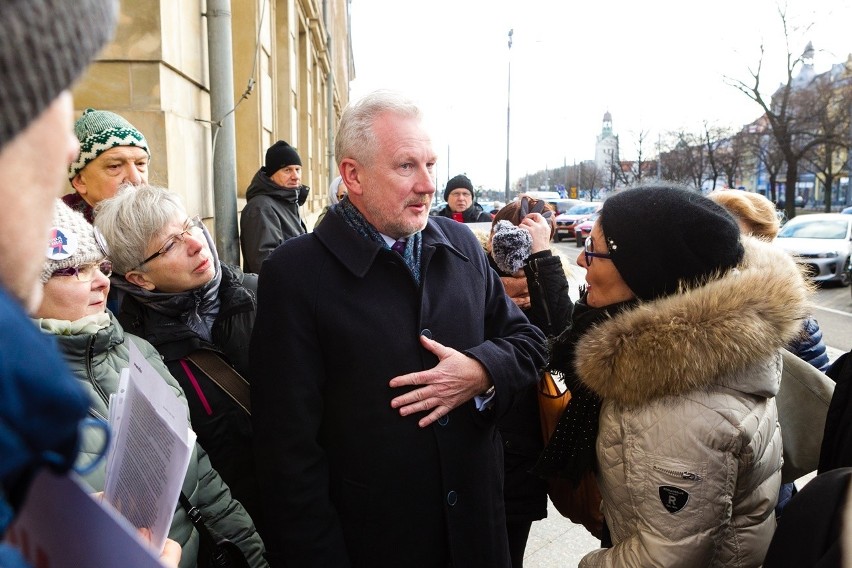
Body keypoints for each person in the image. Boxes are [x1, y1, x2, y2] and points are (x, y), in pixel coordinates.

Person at [250, 90, 548, 568]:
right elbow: (287, 456)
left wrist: (480, 370)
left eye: (431, 164)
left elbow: (530, 343)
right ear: (353, 176)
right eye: (407, 166)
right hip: (376, 545)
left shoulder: (460, 244)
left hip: (478, 536)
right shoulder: (295, 274)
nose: (429, 185)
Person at [534, 185, 811, 567]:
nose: (581, 259)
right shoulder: (679, 360)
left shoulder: (678, 401)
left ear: (644, 273)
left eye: (594, 250)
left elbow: (666, 557)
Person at [34, 199, 267, 568]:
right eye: (73, 270)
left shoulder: (137, 350)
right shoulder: (16, 396)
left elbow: (202, 479)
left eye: (101, 266)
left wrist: (253, 557)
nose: (99, 281)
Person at [93, 184, 262, 530]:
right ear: (141, 279)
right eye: (171, 245)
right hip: (234, 525)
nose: (197, 243)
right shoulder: (137, 356)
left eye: (190, 225)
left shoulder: (266, 294)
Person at [486, 196, 571, 567]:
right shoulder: (477, 279)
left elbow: (561, 338)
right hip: (481, 445)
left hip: (524, 454)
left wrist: (542, 259)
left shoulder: (549, 278)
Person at [708, 189, 829, 371]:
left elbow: (816, 392)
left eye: (738, 243)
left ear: (765, 250)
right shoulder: (671, 298)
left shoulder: (796, 323)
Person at [64, 108, 150, 223]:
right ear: (80, 181)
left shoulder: (165, 223)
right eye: (114, 166)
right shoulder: (56, 232)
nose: (136, 179)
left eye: (140, 164)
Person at [240, 140, 309, 273]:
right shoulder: (260, 208)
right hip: (280, 292)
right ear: (271, 175)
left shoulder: (288, 203)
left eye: (298, 170)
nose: (295, 176)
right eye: (287, 170)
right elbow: (265, 265)